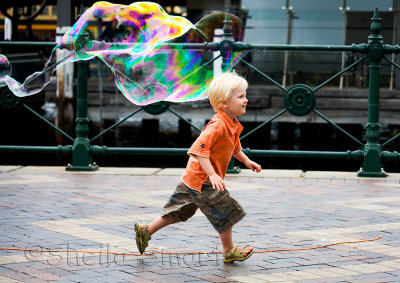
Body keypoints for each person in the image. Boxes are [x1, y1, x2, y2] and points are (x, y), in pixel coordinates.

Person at [135, 71, 262, 263]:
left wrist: (246, 161)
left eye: (245, 95)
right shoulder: (217, 125)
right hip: (203, 180)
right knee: (224, 209)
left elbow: (235, 148)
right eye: (241, 96)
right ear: (224, 104)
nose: (246, 100)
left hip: (192, 178)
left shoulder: (232, 123)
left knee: (179, 210)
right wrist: (212, 175)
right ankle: (229, 250)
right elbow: (197, 151)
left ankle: (146, 230)